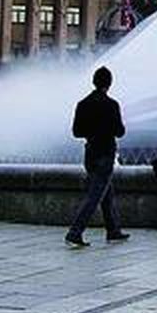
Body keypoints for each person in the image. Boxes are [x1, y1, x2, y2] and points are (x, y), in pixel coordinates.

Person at [65, 66, 129, 247]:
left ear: (94, 82)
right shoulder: (111, 105)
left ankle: (113, 230)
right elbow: (120, 131)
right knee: (95, 195)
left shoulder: (83, 104)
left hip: (90, 153)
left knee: (105, 191)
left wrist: (91, 132)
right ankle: (75, 232)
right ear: (109, 84)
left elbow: (77, 132)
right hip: (106, 152)